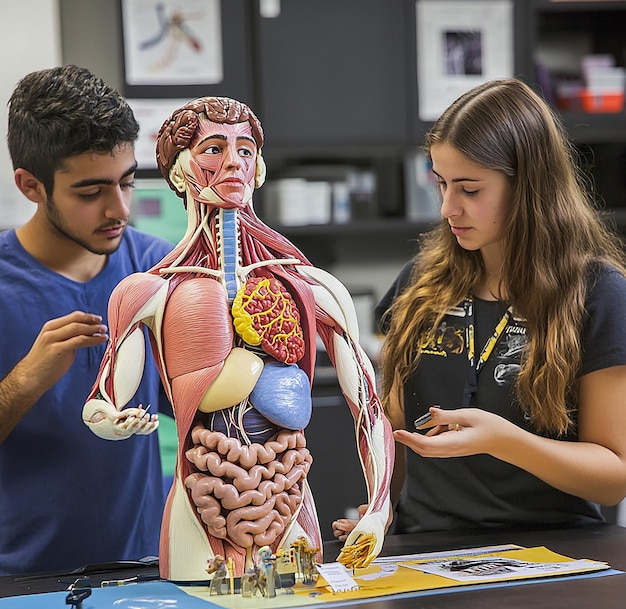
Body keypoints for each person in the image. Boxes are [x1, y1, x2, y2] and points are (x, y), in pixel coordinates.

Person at [82, 96, 394, 581]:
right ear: (179, 171)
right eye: (212, 148)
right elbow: (103, 400)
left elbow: (368, 403)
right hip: (199, 498)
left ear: (260, 168)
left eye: (244, 150)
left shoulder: (311, 286)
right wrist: (110, 420)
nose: (232, 163)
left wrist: (378, 506)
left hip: (285, 495)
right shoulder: (149, 292)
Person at [333, 77, 626, 540]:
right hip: (426, 551)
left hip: (554, 555)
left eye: (469, 189)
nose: (449, 207)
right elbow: (394, 432)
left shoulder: (596, 293)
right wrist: (380, 511)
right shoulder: (419, 285)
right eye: (442, 184)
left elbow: (614, 476)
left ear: (529, 187)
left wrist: (506, 442)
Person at [0, 65, 174, 576]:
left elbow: (209, 415)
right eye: (90, 192)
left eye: (127, 181)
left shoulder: (160, 269)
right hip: (20, 581)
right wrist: (26, 381)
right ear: (32, 186)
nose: (119, 208)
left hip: (146, 567)